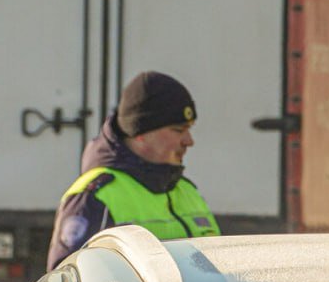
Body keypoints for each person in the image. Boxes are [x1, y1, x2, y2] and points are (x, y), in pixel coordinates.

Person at [47, 70, 220, 269]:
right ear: (140, 133)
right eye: (178, 130)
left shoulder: (186, 191)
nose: (189, 141)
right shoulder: (95, 196)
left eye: (189, 130)